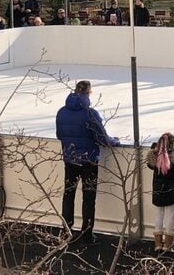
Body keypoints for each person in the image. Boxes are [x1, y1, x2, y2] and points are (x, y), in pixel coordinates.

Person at [55, 80, 120, 244]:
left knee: (68, 195)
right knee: (88, 197)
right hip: (88, 160)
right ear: (88, 94)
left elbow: (59, 135)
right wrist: (114, 141)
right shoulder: (90, 114)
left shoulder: (62, 112)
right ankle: (87, 233)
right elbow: (102, 138)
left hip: (70, 159)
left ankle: (66, 231)